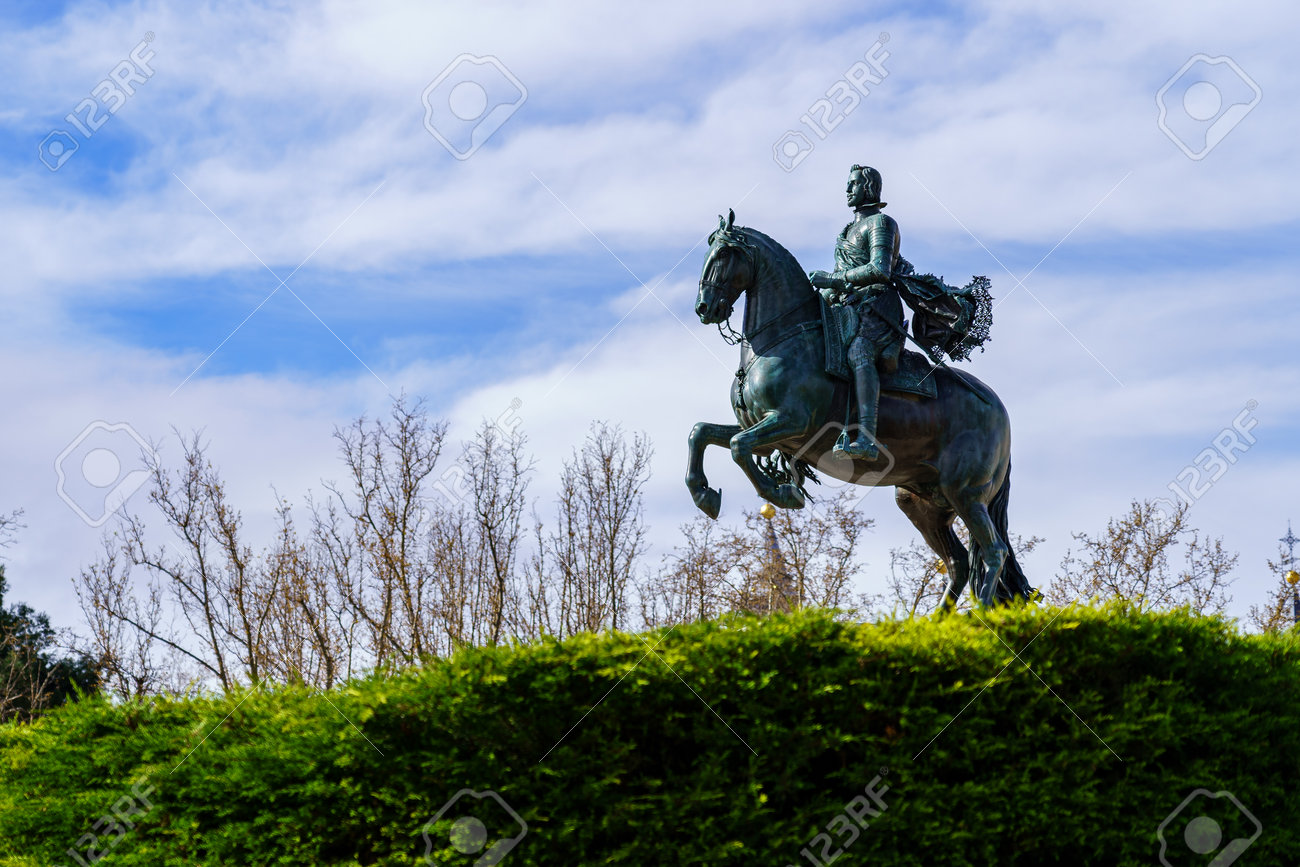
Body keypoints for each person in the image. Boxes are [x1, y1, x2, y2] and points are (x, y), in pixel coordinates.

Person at [809, 164, 902, 460]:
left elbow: (880, 269)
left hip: (877, 307)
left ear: (869, 188)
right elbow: (839, 277)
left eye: (853, 184)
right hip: (847, 306)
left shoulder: (881, 223)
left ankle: (867, 439)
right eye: (848, 184)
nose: (847, 190)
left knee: (858, 351)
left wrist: (833, 280)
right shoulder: (846, 231)